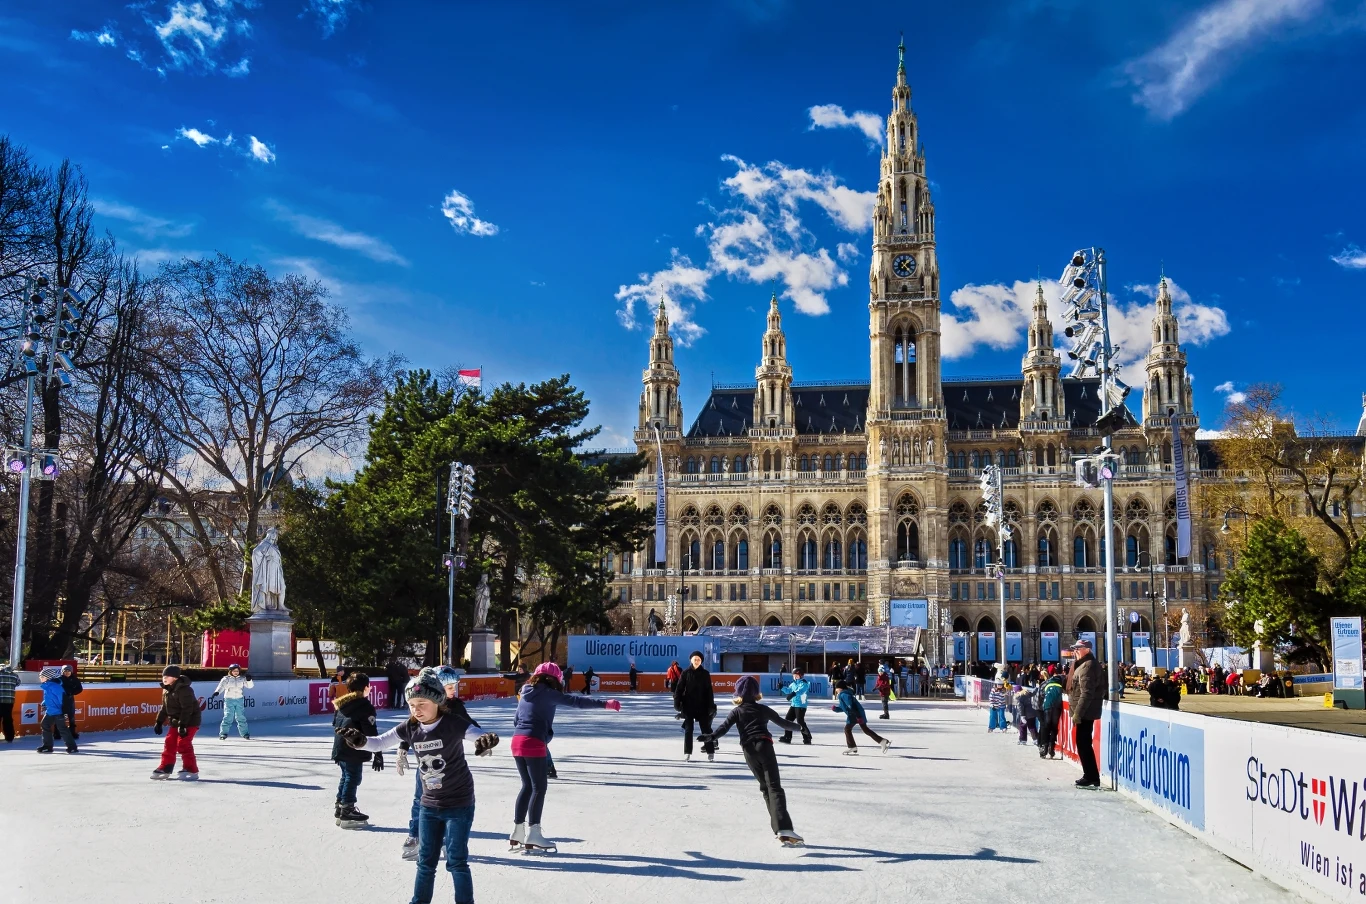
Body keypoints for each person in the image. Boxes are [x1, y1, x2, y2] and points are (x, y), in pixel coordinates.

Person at [340, 667, 499, 904]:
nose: (417, 709)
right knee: (425, 862)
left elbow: (477, 734)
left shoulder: (453, 723)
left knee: (456, 861)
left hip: (459, 803)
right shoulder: (410, 727)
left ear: (437, 701)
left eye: (422, 703)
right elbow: (379, 743)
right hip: (429, 805)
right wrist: (361, 742)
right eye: (412, 704)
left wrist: (486, 740)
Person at [509, 662, 620, 852]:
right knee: (539, 788)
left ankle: (517, 831)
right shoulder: (549, 693)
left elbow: (516, 720)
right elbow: (576, 702)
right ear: (555, 679)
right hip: (533, 742)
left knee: (527, 786)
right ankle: (534, 833)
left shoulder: (525, 691)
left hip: (517, 741)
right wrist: (605, 704)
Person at [699, 676, 804, 847]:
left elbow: (723, 728)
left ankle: (780, 830)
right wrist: (800, 727)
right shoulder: (763, 709)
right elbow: (784, 724)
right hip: (764, 746)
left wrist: (710, 737)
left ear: (738, 693)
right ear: (756, 693)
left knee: (765, 788)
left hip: (749, 751)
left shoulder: (737, 711)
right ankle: (783, 828)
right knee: (774, 787)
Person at [401, 666, 465, 859]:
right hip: (425, 765)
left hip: (449, 766)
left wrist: (482, 739)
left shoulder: (456, 707)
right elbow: (409, 727)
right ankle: (415, 836)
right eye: (450, 687)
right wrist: (402, 749)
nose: (454, 691)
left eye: (455, 687)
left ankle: (445, 840)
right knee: (420, 799)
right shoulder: (424, 705)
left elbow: (470, 725)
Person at [331, 672, 381, 827]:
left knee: (346, 776)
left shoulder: (342, 703)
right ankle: (347, 809)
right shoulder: (365, 706)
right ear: (366, 687)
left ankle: (340, 806)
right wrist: (378, 752)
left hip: (340, 748)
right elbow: (370, 732)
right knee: (353, 778)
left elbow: (335, 725)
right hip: (352, 748)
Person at [1066, 640, 1105, 787]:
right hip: (1084, 711)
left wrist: (1078, 713)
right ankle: (1090, 775)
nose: (1075, 651)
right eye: (1074, 648)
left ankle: (1091, 776)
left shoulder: (1088, 666)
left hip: (1085, 712)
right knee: (1083, 743)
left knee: (1083, 743)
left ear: (1087, 649)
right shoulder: (1082, 664)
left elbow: (1086, 693)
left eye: (1078, 648)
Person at [151, 665, 200, 779]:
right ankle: (166, 767)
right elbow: (164, 708)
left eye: (167, 676)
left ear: (175, 678)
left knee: (183, 744)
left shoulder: (184, 689)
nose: (164, 678)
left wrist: (183, 725)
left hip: (190, 721)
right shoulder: (166, 689)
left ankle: (191, 769)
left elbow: (187, 708)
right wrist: (159, 722)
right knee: (169, 743)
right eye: (163, 676)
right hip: (176, 722)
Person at [673, 650, 717, 761]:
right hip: (688, 706)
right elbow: (679, 689)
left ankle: (710, 752)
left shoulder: (705, 674)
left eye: (699, 660)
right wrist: (677, 703)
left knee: (706, 729)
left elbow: (709, 691)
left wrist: (711, 706)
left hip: (703, 706)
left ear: (701, 661)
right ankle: (687, 752)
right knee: (688, 730)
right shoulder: (686, 673)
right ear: (691, 660)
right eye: (695, 659)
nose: (696, 661)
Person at [832, 679, 890, 755]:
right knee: (865, 729)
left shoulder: (844, 695)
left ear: (840, 688)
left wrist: (858, 716)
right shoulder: (844, 694)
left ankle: (852, 746)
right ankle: (882, 741)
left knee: (847, 729)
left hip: (855, 714)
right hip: (856, 713)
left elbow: (851, 706)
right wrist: (836, 709)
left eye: (836, 688)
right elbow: (845, 707)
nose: (836, 690)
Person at [37, 667, 77, 754]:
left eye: (41, 676)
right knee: (45, 725)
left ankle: (72, 747)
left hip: (58, 712)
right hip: (50, 711)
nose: (40, 677)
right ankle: (47, 746)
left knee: (62, 729)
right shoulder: (47, 686)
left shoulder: (55, 687)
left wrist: (64, 711)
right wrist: (44, 703)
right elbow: (49, 698)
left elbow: (62, 699)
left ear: (48, 677)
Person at [211, 663, 254, 740]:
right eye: (234, 671)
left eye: (237, 671)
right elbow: (221, 686)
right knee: (228, 716)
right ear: (230, 671)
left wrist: (249, 680)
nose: (236, 672)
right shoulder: (226, 679)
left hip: (239, 699)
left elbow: (250, 686)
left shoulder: (242, 678)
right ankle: (223, 733)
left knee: (241, 717)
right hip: (229, 700)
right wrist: (217, 692)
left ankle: (245, 733)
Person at [777, 667, 813, 745]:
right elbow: (788, 690)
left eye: (796, 675)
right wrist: (782, 687)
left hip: (801, 705)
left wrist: (793, 694)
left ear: (801, 675)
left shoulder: (804, 683)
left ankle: (807, 737)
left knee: (800, 721)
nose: (795, 676)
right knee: (788, 720)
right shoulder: (793, 684)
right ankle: (787, 737)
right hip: (793, 704)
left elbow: (801, 691)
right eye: (794, 675)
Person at [1037, 669, 1064, 759]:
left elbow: (1040, 696)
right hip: (1057, 707)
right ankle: (1051, 747)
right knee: (1054, 727)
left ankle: (1044, 747)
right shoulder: (1060, 687)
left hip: (1047, 706)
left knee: (1046, 726)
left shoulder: (1046, 685)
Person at [60, 665, 82, 740]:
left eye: (68, 671)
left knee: (71, 717)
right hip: (60, 700)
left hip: (70, 700)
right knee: (59, 717)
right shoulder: (59, 679)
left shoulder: (74, 679)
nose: (67, 673)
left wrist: (72, 692)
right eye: (65, 671)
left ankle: (72, 732)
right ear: (62, 672)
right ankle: (58, 733)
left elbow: (79, 689)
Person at [0, 662, 18, 743]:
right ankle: (9, 737)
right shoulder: (14, 675)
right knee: (8, 718)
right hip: (9, 700)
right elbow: (18, 683)